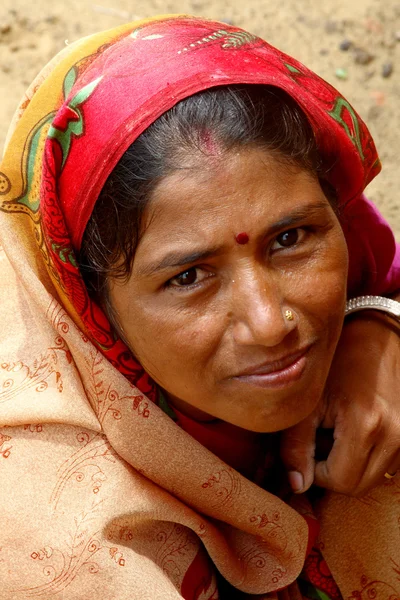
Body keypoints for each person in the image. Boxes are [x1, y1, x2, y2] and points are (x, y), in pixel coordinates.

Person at [0, 15, 399, 599]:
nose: (270, 325)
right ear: (89, 304)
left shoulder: (363, 315)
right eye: (189, 276)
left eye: (290, 239)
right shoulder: (59, 540)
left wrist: (379, 323)